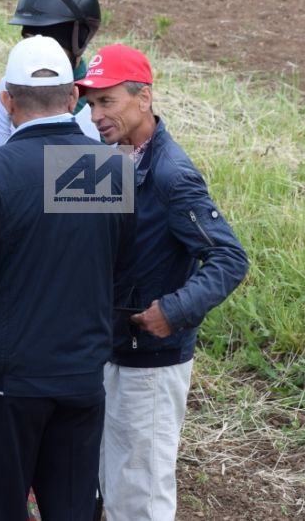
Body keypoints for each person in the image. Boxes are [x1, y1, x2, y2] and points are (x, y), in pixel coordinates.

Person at [0, 36, 136, 521]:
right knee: (70, 509)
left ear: (7, 99)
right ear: (73, 99)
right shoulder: (105, 168)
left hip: (6, 382)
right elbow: (114, 267)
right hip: (81, 376)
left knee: (0, 510)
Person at [75, 45, 250, 521]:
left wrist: (174, 311)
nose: (95, 114)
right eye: (89, 104)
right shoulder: (108, 157)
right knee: (108, 488)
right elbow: (62, 228)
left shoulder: (173, 174)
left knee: (141, 499)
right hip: (107, 351)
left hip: (148, 366)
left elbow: (230, 258)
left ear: (143, 97)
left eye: (106, 101)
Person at [0, 0, 102, 148]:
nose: (41, 51)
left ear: (79, 39)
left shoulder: (105, 99)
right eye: (30, 40)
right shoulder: (10, 85)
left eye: (53, 43)